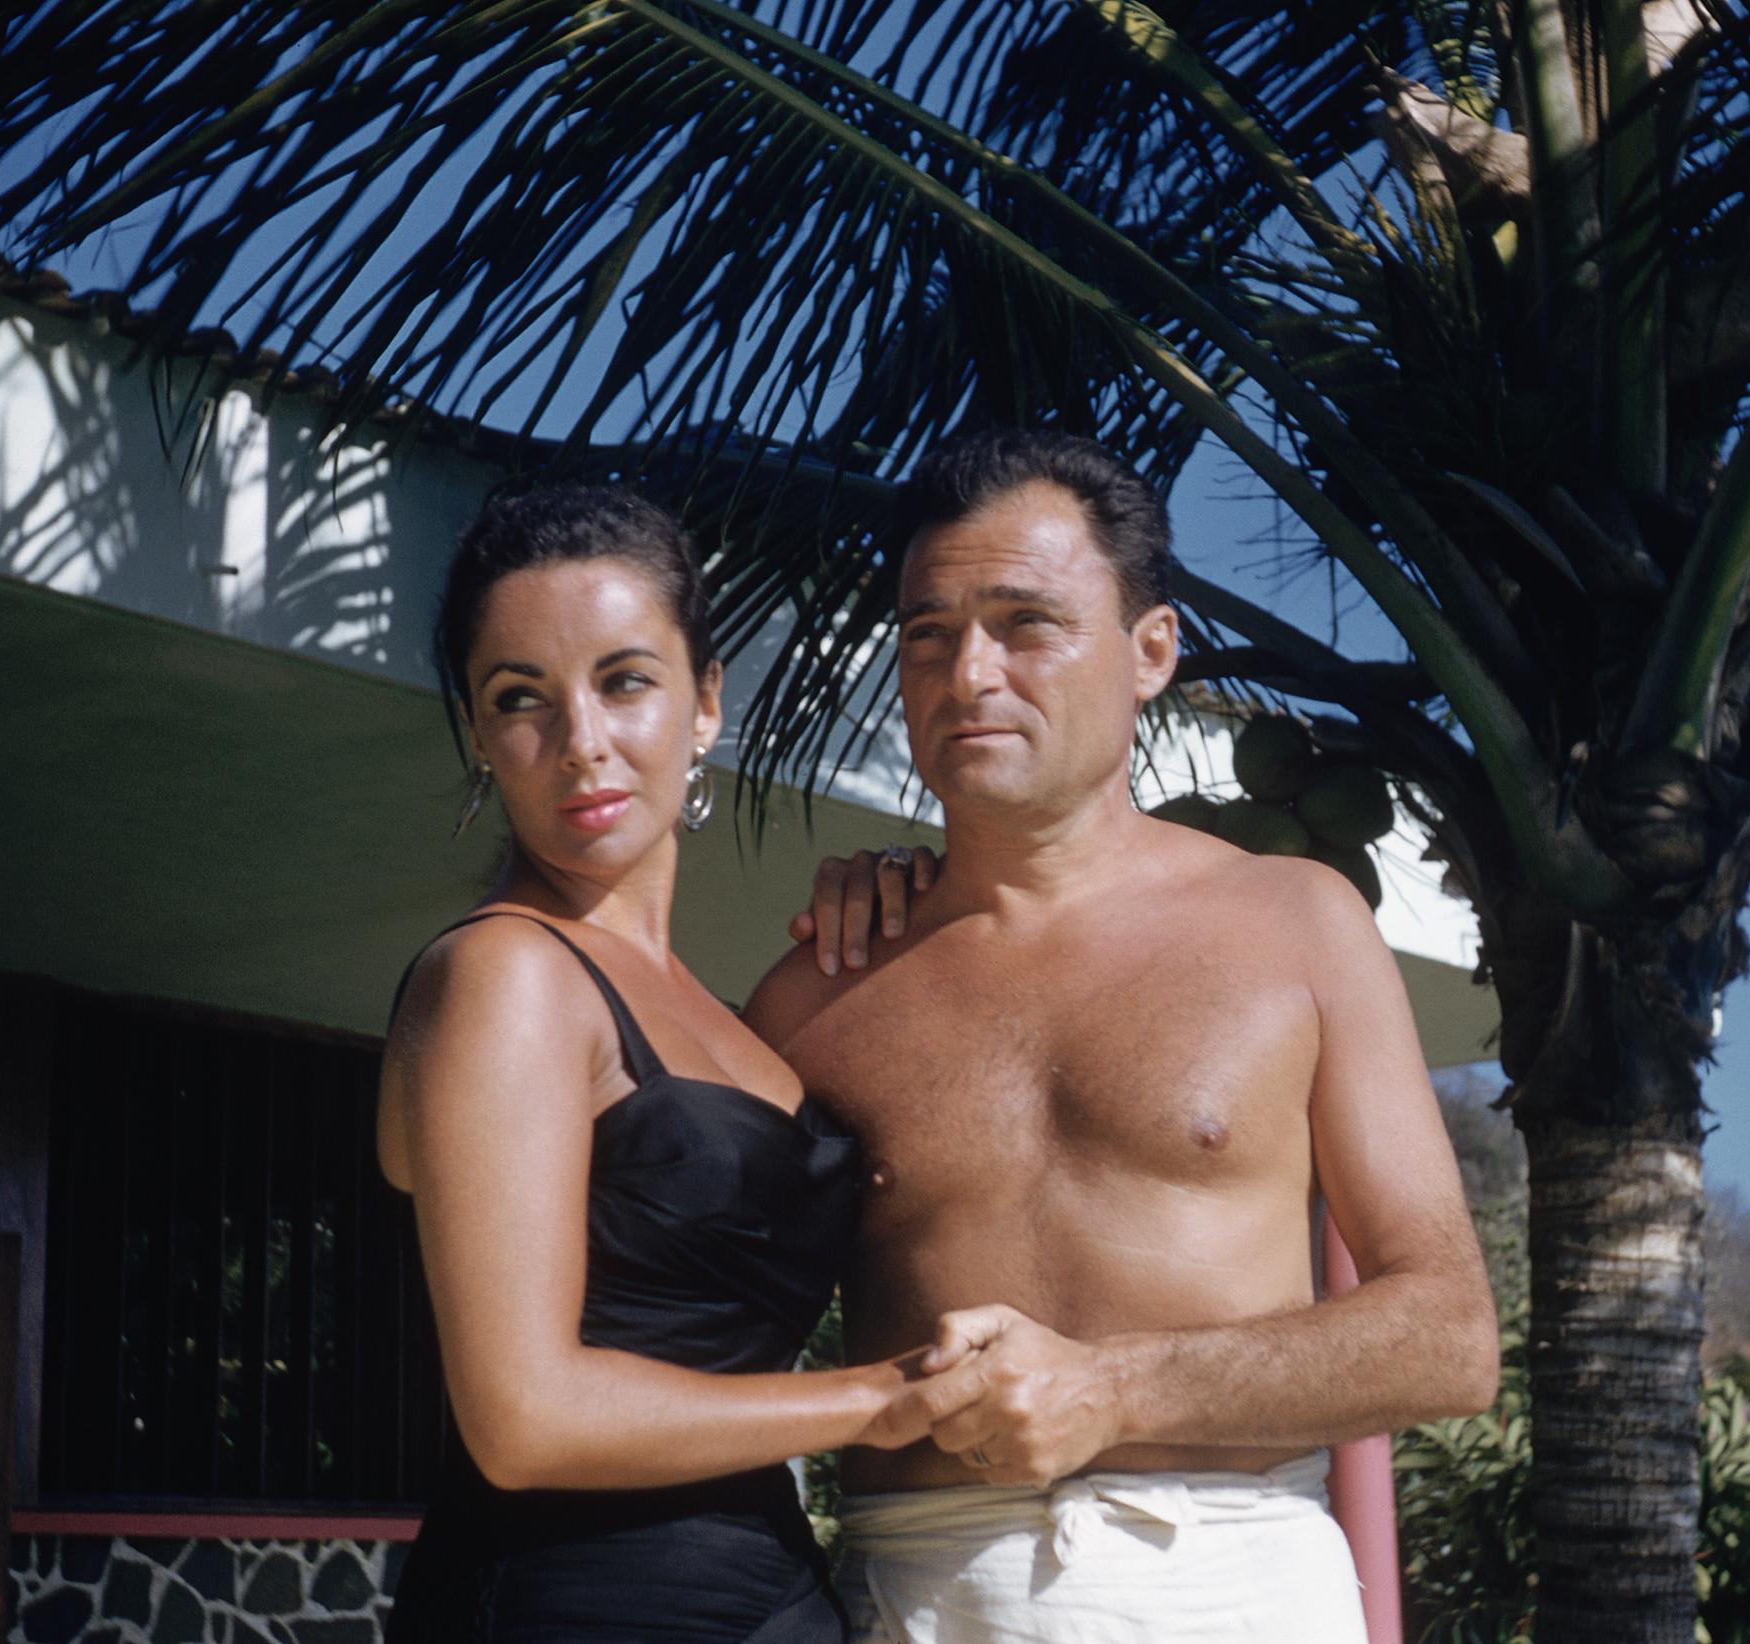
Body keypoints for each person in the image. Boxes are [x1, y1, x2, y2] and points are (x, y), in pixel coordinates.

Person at [745, 430, 1501, 1643]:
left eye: (1025, 625)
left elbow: (1449, 1338)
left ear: (1151, 651)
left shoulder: (1296, 925)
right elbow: (699, 1346)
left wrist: (1112, 1388)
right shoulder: (817, 993)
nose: (969, 675)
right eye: (928, 634)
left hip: (1235, 1585)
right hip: (918, 1596)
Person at [376, 486, 958, 1643]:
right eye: (520, 698)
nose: (582, 741)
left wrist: (919, 902)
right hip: (570, 1607)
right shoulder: (505, 975)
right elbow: (523, 1419)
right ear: (479, 736)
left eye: (625, 681)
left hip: (770, 1599)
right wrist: (881, 1399)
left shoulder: (731, 1019)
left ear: (707, 703)